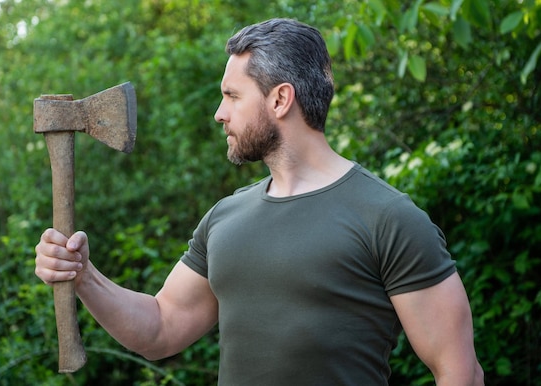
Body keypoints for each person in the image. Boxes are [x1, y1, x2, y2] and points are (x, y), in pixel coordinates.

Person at [35, 18, 484, 385]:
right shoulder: (225, 218)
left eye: (232, 96)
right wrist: (82, 275)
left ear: (280, 99)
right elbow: (160, 327)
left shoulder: (388, 217)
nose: (219, 113)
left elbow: (458, 371)